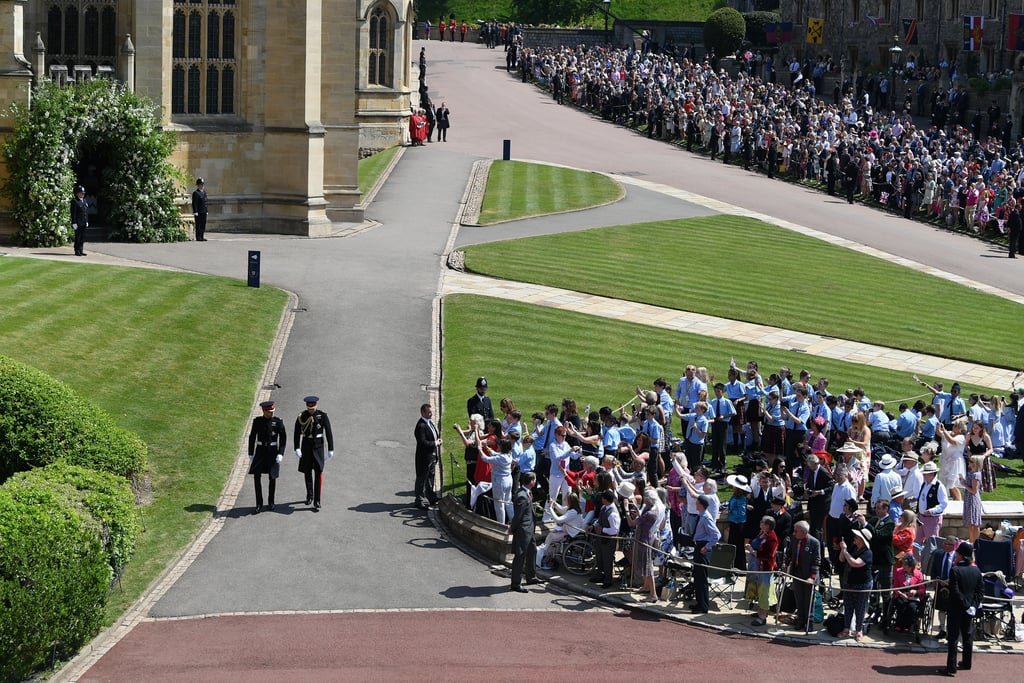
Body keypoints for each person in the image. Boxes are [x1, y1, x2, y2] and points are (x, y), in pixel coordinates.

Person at [940, 542, 984, 676]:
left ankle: (951, 666)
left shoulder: (955, 570)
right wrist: (972, 605)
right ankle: (966, 662)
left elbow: (955, 591)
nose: (956, 556)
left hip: (957, 608)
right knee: (967, 636)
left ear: (962, 556)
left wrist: (966, 605)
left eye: (958, 554)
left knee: (953, 638)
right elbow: (980, 591)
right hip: (969, 608)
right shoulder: (976, 570)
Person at [294, 395, 334, 511]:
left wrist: (330, 448)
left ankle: (317, 500)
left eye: (312, 408)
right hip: (306, 445)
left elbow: (329, 432)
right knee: (307, 472)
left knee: (318, 472)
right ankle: (309, 495)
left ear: (316, 405)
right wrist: (297, 447)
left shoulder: (322, 416)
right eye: (309, 408)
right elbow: (297, 432)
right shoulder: (302, 416)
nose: (310, 410)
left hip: (318, 446)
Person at [246, 400, 286, 514]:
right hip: (260, 452)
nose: (271, 413)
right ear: (264, 411)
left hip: (272, 452)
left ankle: (271, 501)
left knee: (272, 478)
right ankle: (259, 503)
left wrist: (280, 453)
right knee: (257, 477)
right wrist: (251, 453)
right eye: (269, 411)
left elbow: (283, 438)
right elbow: (252, 437)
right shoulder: (258, 421)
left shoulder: (278, 422)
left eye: (272, 411)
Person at [508, 471, 541, 593]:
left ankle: (531, 577)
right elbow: (518, 516)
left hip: (529, 529)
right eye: (535, 479)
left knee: (533, 551)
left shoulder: (527, 493)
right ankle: (515, 583)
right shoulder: (522, 495)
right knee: (520, 556)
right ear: (531, 481)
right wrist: (512, 528)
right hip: (523, 530)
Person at [838, 527, 873, 640]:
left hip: (863, 584)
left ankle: (859, 630)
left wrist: (846, 551)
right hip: (849, 582)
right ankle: (846, 628)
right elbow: (841, 559)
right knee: (848, 606)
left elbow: (855, 563)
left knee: (860, 607)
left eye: (857, 537)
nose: (854, 538)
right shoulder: (853, 547)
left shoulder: (868, 553)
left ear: (862, 540)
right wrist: (843, 550)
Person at [691, 494, 722, 614]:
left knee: (701, 578)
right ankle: (699, 602)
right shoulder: (701, 516)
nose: (695, 505)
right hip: (699, 546)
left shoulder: (706, 518)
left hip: (702, 548)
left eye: (697, 503)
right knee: (697, 578)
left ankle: (703, 606)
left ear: (701, 505)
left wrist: (706, 547)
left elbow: (716, 535)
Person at [746, 515, 779, 626]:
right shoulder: (762, 533)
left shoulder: (772, 538)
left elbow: (768, 555)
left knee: (764, 592)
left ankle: (762, 617)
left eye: (762, 522)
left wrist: (751, 550)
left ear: (767, 525)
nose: (760, 523)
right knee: (758, 590)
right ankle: (761, 611)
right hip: (756, 567)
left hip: (765, 569)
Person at [788, 520, 821, 631]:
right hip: (797, 572)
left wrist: (812, 577)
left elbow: (817, 561)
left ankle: (809, 622)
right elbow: (790, 553)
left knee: (808, 600)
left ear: (803, 532)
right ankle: (800, 620)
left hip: (808, 575)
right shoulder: (794, 539)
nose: (794, 533)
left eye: (796, 531)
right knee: (799, 598)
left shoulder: (814, 542)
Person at [588, 489, 620, 588]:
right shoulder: (604, 508)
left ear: (606, 499)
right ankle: (599, 575)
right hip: (601, 538)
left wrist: (602, 530)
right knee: (599, 558)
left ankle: (608, 580)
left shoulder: (612, 514)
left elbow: (614, 530)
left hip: (609, 540)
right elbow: (599, 520)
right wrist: (594, 526)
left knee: (607, 561)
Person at [413, 403, 442, 511]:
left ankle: (431, 497)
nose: (431, 414)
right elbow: (423, 442)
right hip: (424, 457)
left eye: (431, 411)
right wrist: (435, 443)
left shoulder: (429, 423)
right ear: (423, 413)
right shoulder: (421, 426)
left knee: (431, 477)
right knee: (422, 478)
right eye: (429, 412)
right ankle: (419, 500)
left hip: (432, 456)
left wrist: (437, 441)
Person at [916, 461, 948, 544]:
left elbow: (944, 503)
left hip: (932, 519)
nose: (924, 475)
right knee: (917, 541)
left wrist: (932, 511)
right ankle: (917, 557)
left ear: (932, 474)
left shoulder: (939, 486)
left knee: (932, 543)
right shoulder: (924, 484)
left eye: (925, 474)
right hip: (921, 517)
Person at [891, 554, 926, 632]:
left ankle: (907, 625)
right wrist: (902, 594)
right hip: (900, 594)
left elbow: (922, 589)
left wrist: (915, 591)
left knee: (912, 607)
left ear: (911, 566)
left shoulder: (918, 574)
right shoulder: (898, 571)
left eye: (905, 565)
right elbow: (895, 586)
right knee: (900, 604)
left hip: (913, 597)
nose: (903, 566)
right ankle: (898, 624)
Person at [960, 454, 985, 543]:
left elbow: (974, 490)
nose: (969, 463)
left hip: (973, 499)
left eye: (971, 461)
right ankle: (972, 540)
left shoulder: (975, 475)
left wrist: (964, 485)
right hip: (969, 498)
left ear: (975, 464)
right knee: (970, 523)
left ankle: (974, 541)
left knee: (974, 523)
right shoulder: (971, 473)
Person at [70, 184, 89, 256]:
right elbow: (73, 213)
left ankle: (81, 249)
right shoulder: (75, 201)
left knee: (82, 237)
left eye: (83, 193)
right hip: (78, 222)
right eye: (81, 193)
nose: (82, 194)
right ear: (77, 193)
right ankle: (77, 250)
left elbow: (85, 212)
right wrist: (74, 223)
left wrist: (86, 221)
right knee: (77, 237)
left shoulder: (84, 201)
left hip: (83, 221)